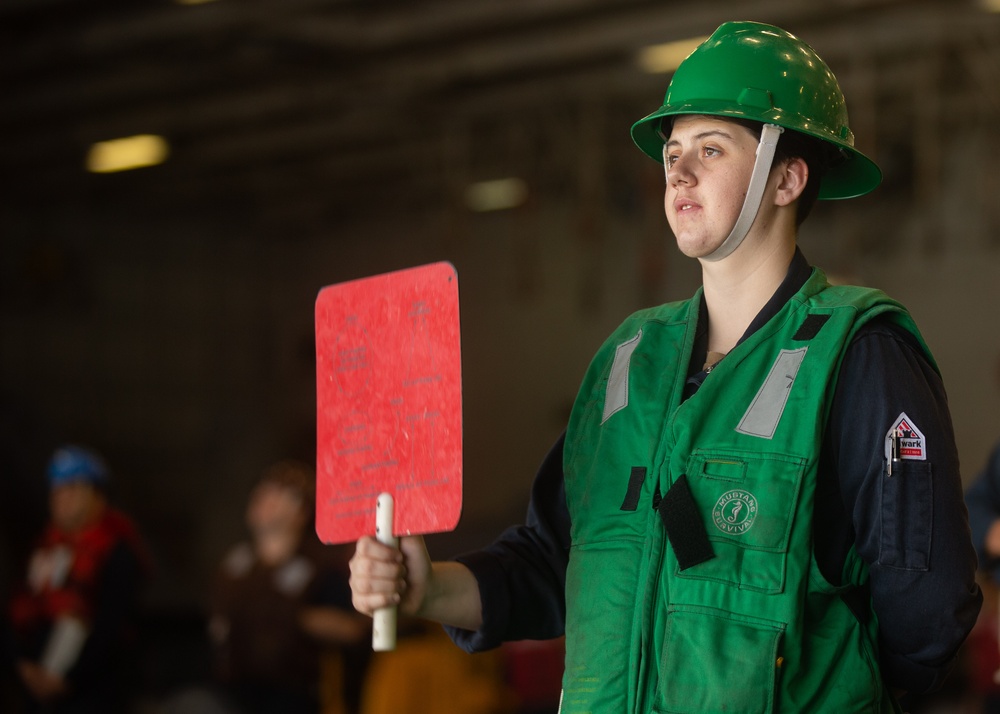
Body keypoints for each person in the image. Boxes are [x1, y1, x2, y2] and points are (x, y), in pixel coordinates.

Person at [347, 21, 982, 713]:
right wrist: (428, 588)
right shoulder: (629, 357)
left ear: (787, 179)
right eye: (673, 151)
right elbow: (553, 561)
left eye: (711, 149)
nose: (678, 170)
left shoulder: (859, 354)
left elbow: (927, 603)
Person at [207, 459, 369, 714]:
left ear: (301, 511)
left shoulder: (318, 567)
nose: (264, 499)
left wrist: (295, 619)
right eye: (263, 491)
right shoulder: (236, 563)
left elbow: (353, 628)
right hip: (232, 689)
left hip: (292, 693)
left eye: (280, 493)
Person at [5, 444, 149, 714]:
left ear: (98, 496)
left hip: (90, 694)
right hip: (34, 688)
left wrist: (67, 679)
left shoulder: (115, 550)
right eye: (57, 490)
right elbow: (19, 607)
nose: (63, 499)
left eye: (73, 489)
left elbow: (113, 624)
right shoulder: (43, 548)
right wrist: (22, 665)